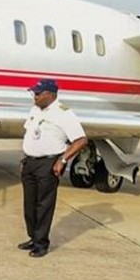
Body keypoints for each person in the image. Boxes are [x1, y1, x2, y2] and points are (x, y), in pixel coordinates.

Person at [18, 79, 88, 258]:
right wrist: (25, 158)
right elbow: (30, 134)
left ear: (50, 94)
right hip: (30, 162)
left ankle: (41, 244)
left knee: (44, 205)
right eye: (34, 93)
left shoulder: (64, 113)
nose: (35, 96)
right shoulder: (35, 110)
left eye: (38, 93)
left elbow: (81, 140)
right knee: (29, 205)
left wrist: (63, 160)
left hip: (48, 164)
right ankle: (33, 237)